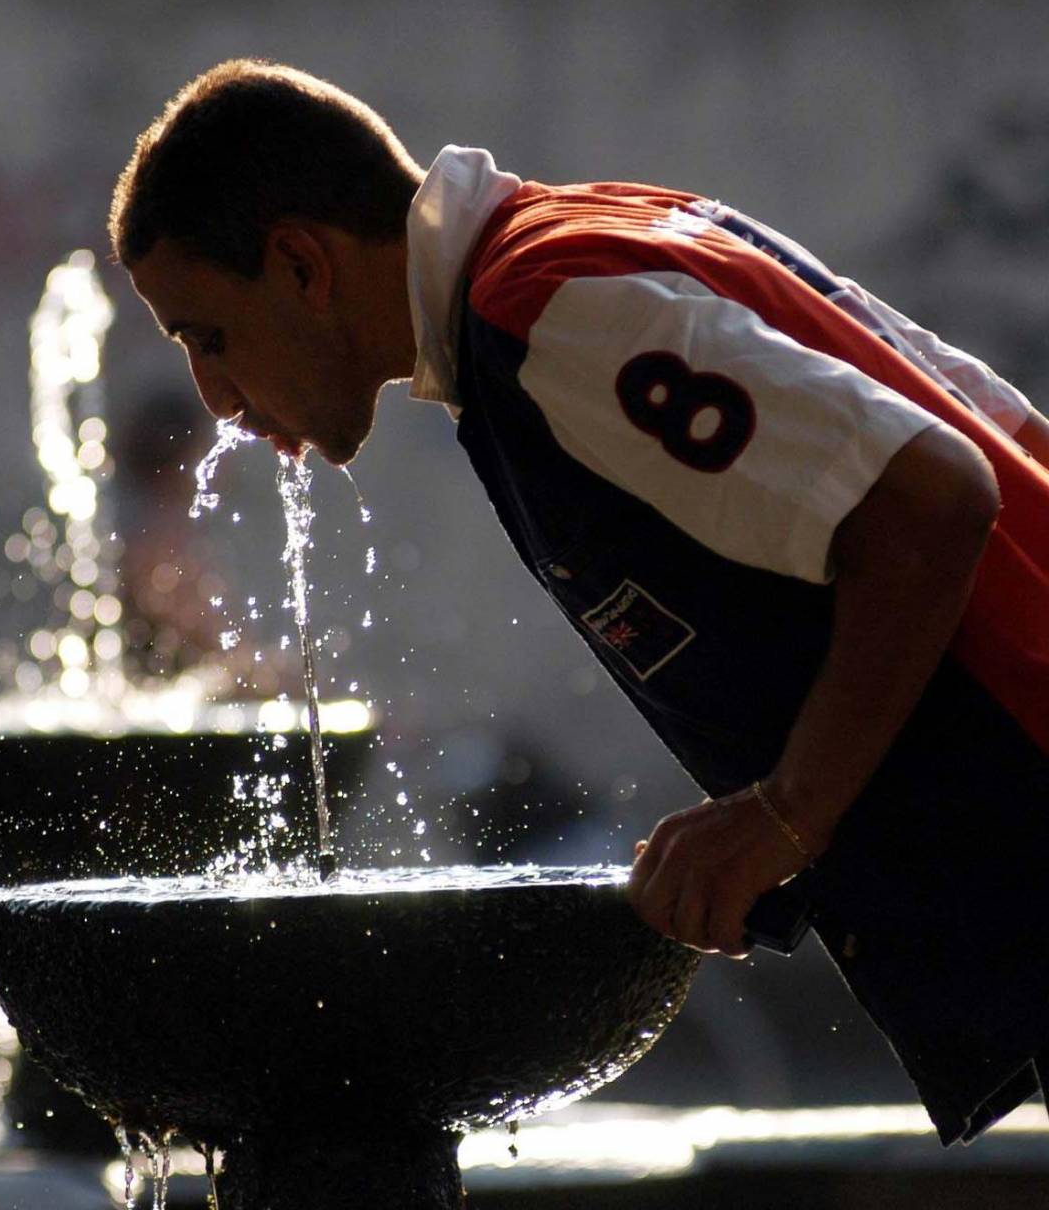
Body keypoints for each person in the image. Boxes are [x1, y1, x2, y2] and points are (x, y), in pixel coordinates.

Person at [108, 59, 1049, 1145]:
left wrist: (787, 812)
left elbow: (935, 499)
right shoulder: (593, 246)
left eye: (209, 338)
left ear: (301, 265)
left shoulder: (548, 313)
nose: (214, 398)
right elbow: (991, 416)